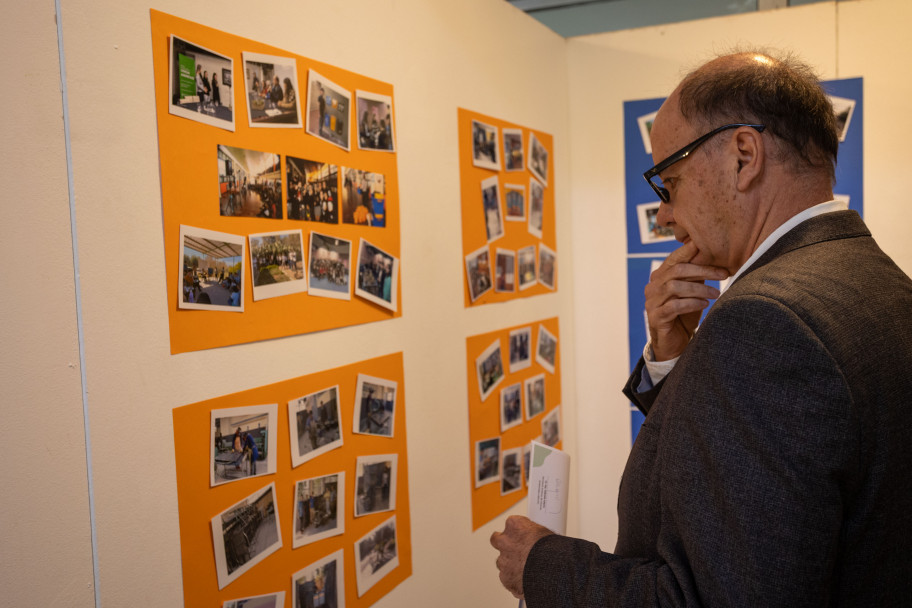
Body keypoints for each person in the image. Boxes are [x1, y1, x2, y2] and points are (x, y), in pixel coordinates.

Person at [491, 49, 912, 606]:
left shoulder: (764, 322)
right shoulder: (877, 277)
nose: (664, 214)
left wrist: (543, 567)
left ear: (743, 156)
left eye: (670, 182)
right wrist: (674, 355)